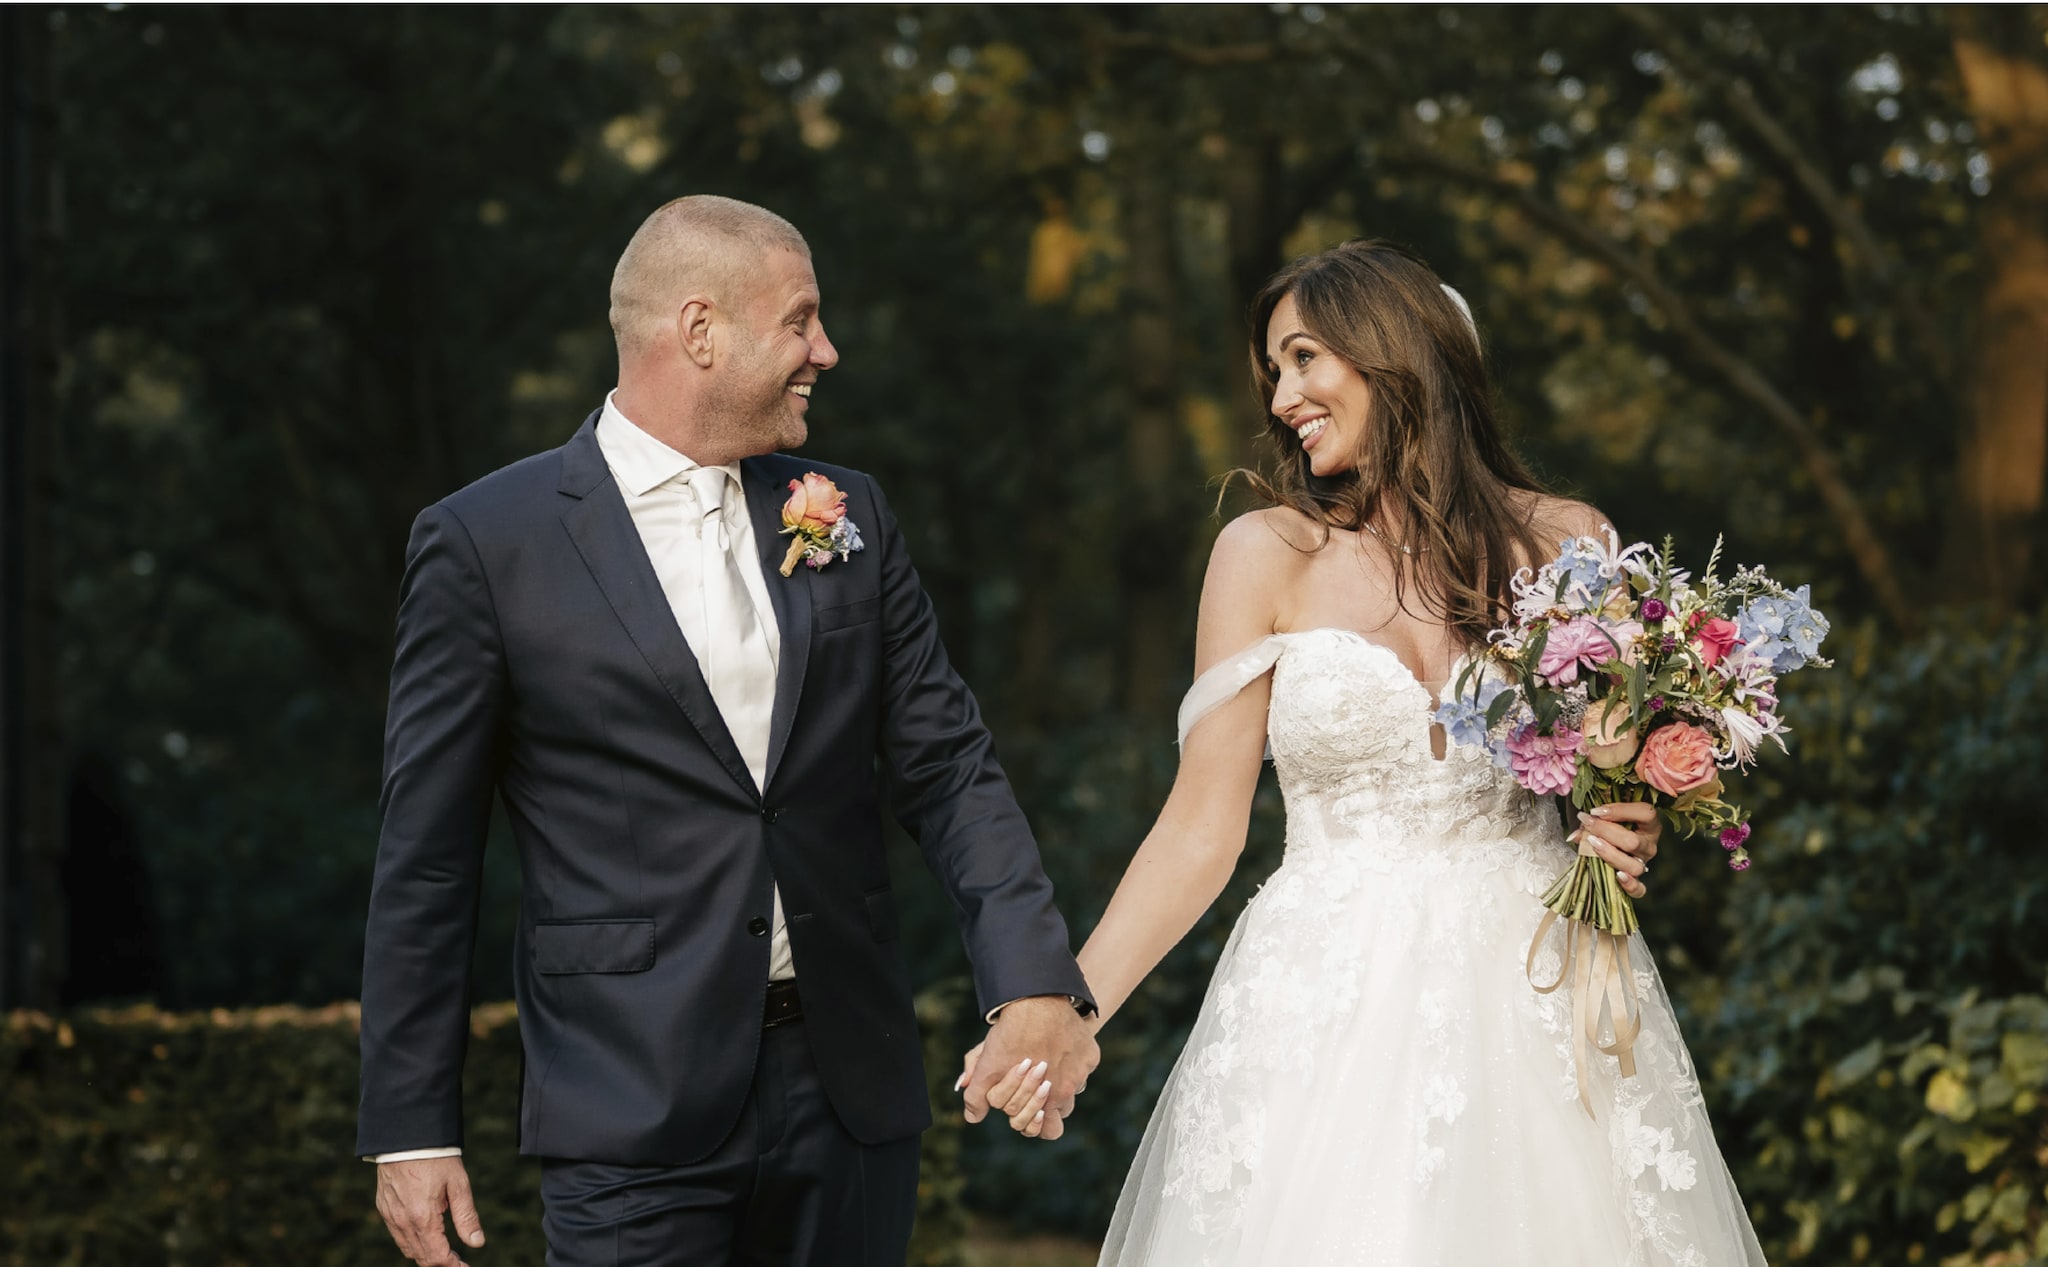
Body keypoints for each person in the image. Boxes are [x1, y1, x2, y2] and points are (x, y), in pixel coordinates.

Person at [967, 240, 1767, 1264]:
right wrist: (1071, 1012)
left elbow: (1600, 768)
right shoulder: (1265, 555)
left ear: (1392, 349)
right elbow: (1201, 826)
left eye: (1303, 357)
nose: (1282, 397)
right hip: (1326, 1003)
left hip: (1539, 989)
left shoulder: (1569, 543)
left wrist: (1625, 812)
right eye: (1274, 371)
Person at [355, 195, 1097, 1267]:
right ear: (699, 330)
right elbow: (426, 857)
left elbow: (947, 766)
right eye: (800, 320)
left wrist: (1030, 977)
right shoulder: (484, 543)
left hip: (850, 1093)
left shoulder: (847, 512)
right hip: (629, 1102)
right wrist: (411, 1125)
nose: (824, 351)